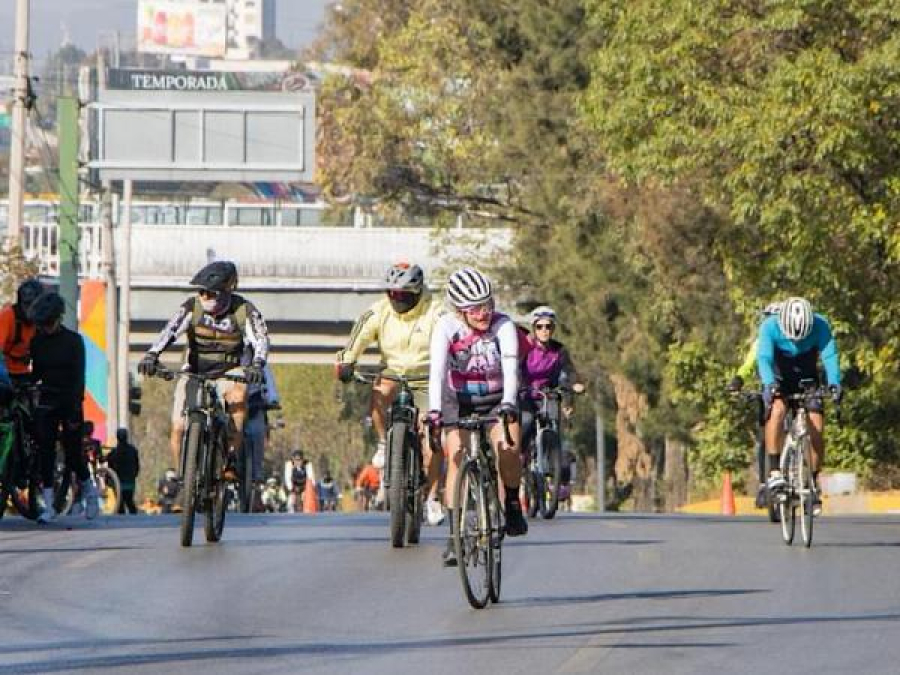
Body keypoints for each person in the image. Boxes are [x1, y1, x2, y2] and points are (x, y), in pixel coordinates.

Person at [427, 267, 526, 567]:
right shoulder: (446, 327)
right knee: (456, 457)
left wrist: (508, 403)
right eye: (475, 309)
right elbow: (436, 372)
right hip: (458, 400)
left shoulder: (503, 325)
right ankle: (454, 535)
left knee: (508, 449)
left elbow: (511, 366)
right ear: (460, 311)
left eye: (487, 305)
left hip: (497, 398)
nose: (484, 313)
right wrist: (434, 411)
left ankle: (511, 502)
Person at [335, 261, 446, 526]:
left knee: (432, 437)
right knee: (379, 391)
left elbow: (453, 340)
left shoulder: (437, 311)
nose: (397, 299)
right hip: (393, 372)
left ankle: (432, 497)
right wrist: (346, 362)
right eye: (392, 293)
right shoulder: (378, 311)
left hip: (427, 377)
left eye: (403, 295)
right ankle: (385, 443)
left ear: (417, 292)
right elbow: (357, 339)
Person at [137, 261, 270, 481]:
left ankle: (231, 458)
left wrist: (257, 364)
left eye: (210, 293)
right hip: (195, 372)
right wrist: (152, 355)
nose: (204, 297)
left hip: (230, 371)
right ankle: (184, 478)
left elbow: (261, 339)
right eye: (201, 292)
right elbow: (170, 331)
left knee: (239, 398)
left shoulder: (244, 310)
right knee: (178, 427)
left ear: (227, 292)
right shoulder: (192, 307)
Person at [757, 297, 841, 515]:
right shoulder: (769, 326)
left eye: (801, 338)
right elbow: (764, 358)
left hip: (807, 377)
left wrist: (834, 383)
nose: (795, 343)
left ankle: (812, 482)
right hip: (779, 376)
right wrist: (769, 384)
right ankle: (774, 471)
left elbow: (830, 355)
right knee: (777, 410)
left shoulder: (821, 325)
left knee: (817, 426)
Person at [29, 292, 98, 523]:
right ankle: (49, 506)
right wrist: (25, 383)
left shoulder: (74, 341)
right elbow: (37, 373)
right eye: (42, 324)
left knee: (73, 453)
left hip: (69, 400)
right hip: (47, 400)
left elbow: (79, 377)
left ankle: (89, 491)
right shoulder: (37, 342)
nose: (46, 328)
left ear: (59, 318)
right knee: (45, 450)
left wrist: (75, 407)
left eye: (49, 323)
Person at [728, 301, 783, 509]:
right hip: (769, 392)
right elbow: (749, 363)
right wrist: (738, 379)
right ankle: (763, 484)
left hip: (790, 389)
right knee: (764, 437)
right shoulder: (762, 340)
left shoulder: (792, 340)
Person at [518, 305, 582, 471]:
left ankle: (550, 464)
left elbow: (569, 370)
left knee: (552, 421)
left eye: (548, 326)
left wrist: (575, 383)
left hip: (548, 395)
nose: (544, 330)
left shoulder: (559, 350)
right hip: (526, 395)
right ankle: (521, 455)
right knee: (527, 421)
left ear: (553, 329)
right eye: (540, 326)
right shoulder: (526, 348)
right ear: (534, 328)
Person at [0, 278, 42, 386]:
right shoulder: (7, 315)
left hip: (24, 372)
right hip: (4, 372)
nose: (29, 310)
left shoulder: (40, 321)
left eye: (33, 305)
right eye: (26, 304)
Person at [244, 363, 279, 488]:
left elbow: (269, 381)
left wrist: (273, 399)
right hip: (233, 404)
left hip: (254, 405)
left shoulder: (260, 364)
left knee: (257, 433)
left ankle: (256, 472)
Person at [107, 428, 141, 514]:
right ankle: (134, 518)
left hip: (118, 481)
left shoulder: (113, 452)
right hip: (129, 480)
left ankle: (123, 518)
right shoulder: (133, 450)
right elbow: (137, 465)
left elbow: (110, 467)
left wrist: (109, 479)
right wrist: (134, 474)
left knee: (120, 503)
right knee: (129, 501)